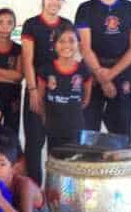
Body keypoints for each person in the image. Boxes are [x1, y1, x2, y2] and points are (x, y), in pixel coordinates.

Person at [75, 0, 131, 140]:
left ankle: (118, 160)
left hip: (121, 72)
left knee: (121, 133)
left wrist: (111, 75)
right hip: (92, 72)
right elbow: (85, 47)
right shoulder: (85, 9)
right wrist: (101, 76)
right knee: (88, 131)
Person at [22, 0, 72, 185]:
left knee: (59, 145)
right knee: (34, 144)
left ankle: (57, 192)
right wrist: (33, 90)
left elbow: (73, 56)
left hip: (60, 93)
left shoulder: (66, 25)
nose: (54, 1)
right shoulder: (32, 24)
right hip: (37, 89)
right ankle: (34, 193)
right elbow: (27, 60)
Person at [38, 23, 93, 153]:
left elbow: (85, 100)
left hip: (76, 127)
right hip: (53, 128)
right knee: (55, 160)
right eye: (61, 41)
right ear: (54, 45)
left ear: (78, 44)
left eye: (71, 41)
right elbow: (40, 99)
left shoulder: (84, 70)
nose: (66, 45)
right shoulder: (46, 69)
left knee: (75, 161)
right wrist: (46, 118)